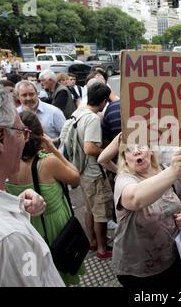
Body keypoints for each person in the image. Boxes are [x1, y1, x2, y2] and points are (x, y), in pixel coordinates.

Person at [0, 83, 64, 286]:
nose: (26, 140)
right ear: (0, 138)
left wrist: (14, 206)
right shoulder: (9, 241)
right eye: (21, 131)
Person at [6, 111, 83, 286]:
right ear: (40, 134)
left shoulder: (7, 163)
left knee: (36, 270)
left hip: (26, 226)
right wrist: (54, 149)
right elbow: (75, 178)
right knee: (60, 265)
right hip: (54, 225)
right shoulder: (47, 162)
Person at [113, 144, 181, 288]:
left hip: (172, 257)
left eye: (140, 145)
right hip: (141, 271)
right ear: (125, 158)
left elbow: (172, 203)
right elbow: (135, 199)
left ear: (150, 150)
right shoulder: (123, 180)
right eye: (129, 149)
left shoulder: (160, 169)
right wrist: (173, 172)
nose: (136, 151)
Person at [72, 82, 114, 259]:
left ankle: (93, 242)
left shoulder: (78, 112)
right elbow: (89, 148)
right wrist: (106, 152)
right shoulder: (93, 119)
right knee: (101, 213)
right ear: (104, 102)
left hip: (82, 170)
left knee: (89, 209)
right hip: (94, 173)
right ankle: (102, 249)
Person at [16, 80, 66, 146]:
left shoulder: (54, 112)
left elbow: (67, 135)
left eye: (31, 94)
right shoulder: (15, 114)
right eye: (24, 95)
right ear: (18, 96)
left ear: (37, 94)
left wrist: (51, 142)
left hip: (52, 154)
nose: (28, 98)